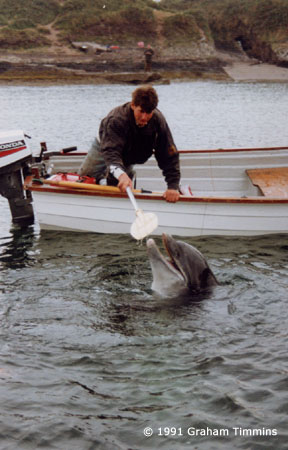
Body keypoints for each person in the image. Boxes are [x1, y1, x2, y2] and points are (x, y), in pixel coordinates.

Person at [79, 85, 180, 203]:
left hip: (130, 154)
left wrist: (173, 186)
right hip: (106, 147)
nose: (144, 117)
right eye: (141, 111)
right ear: (133, 105)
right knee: (83, 180)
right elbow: (111, 153)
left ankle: (115, 181)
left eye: (149, 112)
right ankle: (104, 178)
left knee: (118, 186)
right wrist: (121, 174)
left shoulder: (158, 121)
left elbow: (168, 154)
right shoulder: (116, 119)